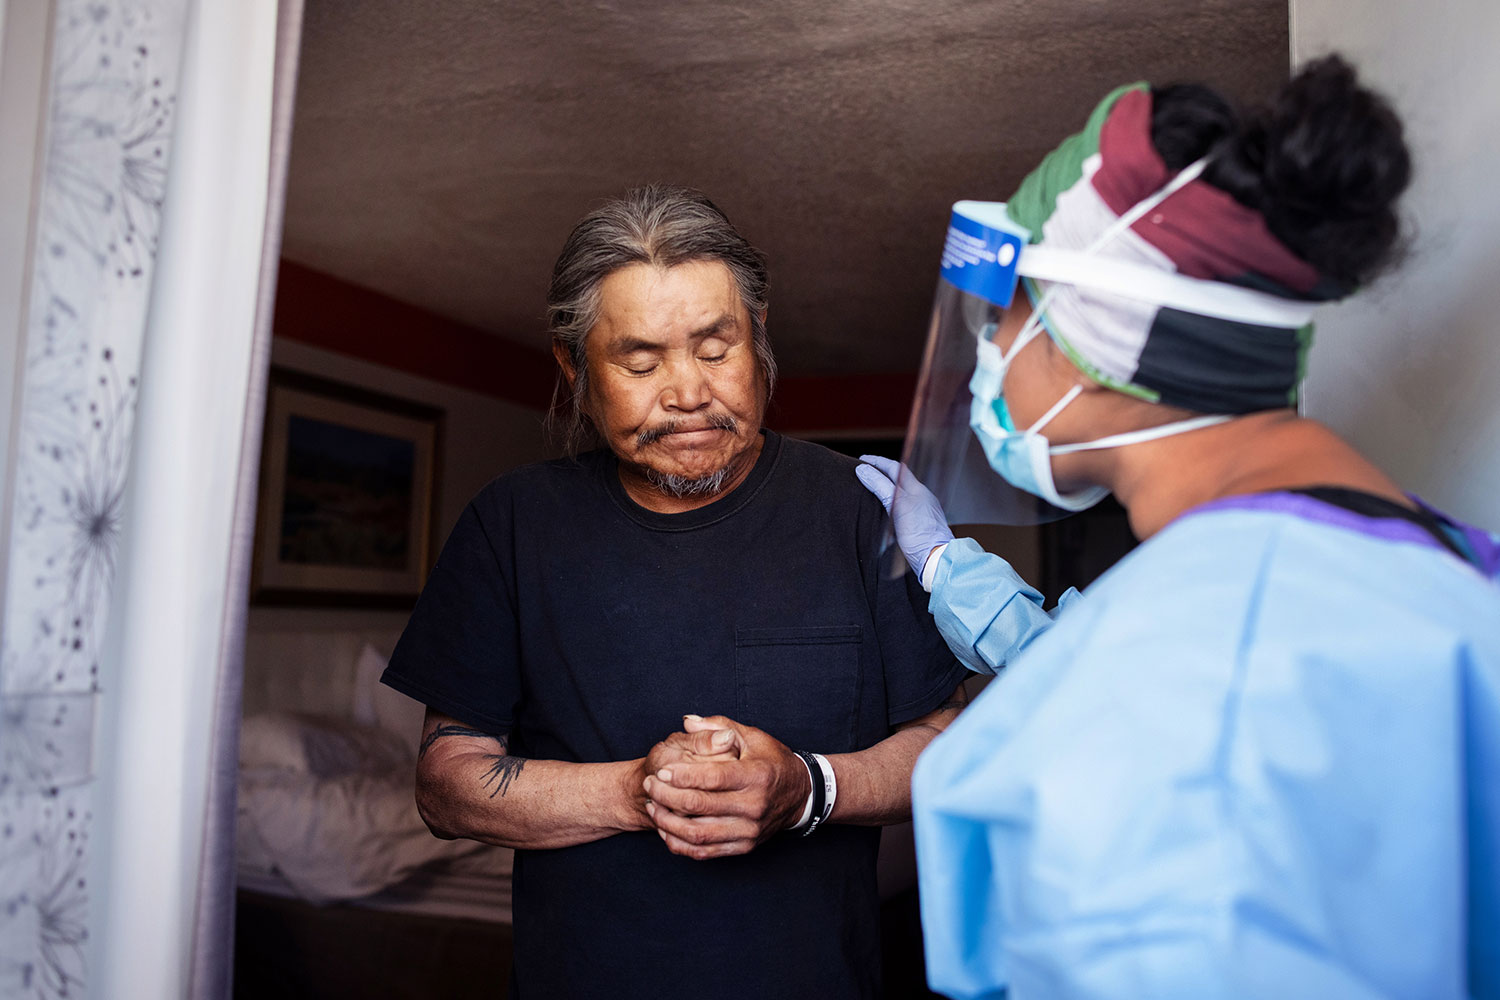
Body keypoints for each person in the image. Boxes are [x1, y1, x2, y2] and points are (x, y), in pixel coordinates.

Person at [856, 57, 1500, 998]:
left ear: (1100, 340)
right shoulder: (1443, 571)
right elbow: (1110, 674)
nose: (989, 352)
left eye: (1005, 318)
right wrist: (949, 565)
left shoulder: (1207, 684)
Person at [380, 185, 967, 999]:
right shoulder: (512, 524)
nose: (687, 391)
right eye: (642, 361)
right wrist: (639, 791)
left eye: (715, 350)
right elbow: (447, 786)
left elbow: (948, 745)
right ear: (574, 366)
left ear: (757, 336)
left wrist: (806, 789)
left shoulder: (860, 511)